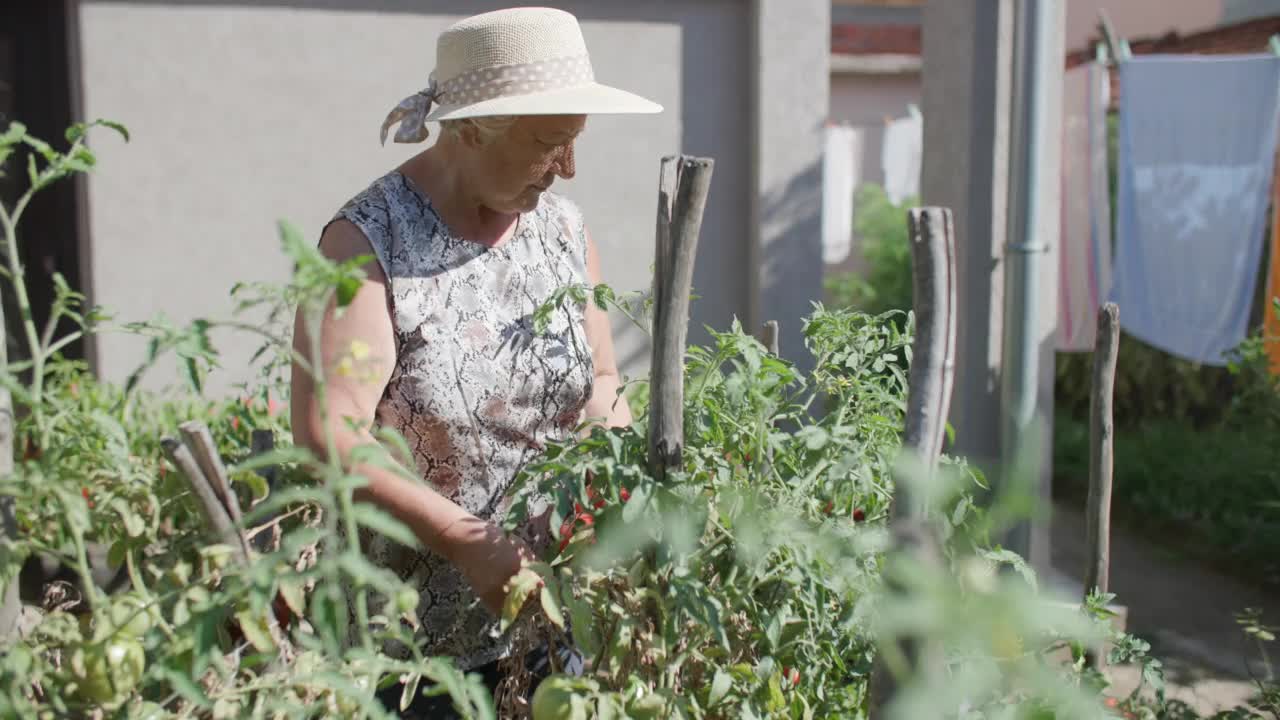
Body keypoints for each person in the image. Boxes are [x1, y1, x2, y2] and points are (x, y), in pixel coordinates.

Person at [287, 6, 662, 717]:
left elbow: (604, 381)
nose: (569, 168)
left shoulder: (562, 228)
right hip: (409, 660)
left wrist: (595, 467)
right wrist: (468, 542)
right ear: (469, 128)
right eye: (551, 143)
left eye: (575, 142)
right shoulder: (367, 245)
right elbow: (329, 437)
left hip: (548, 626)